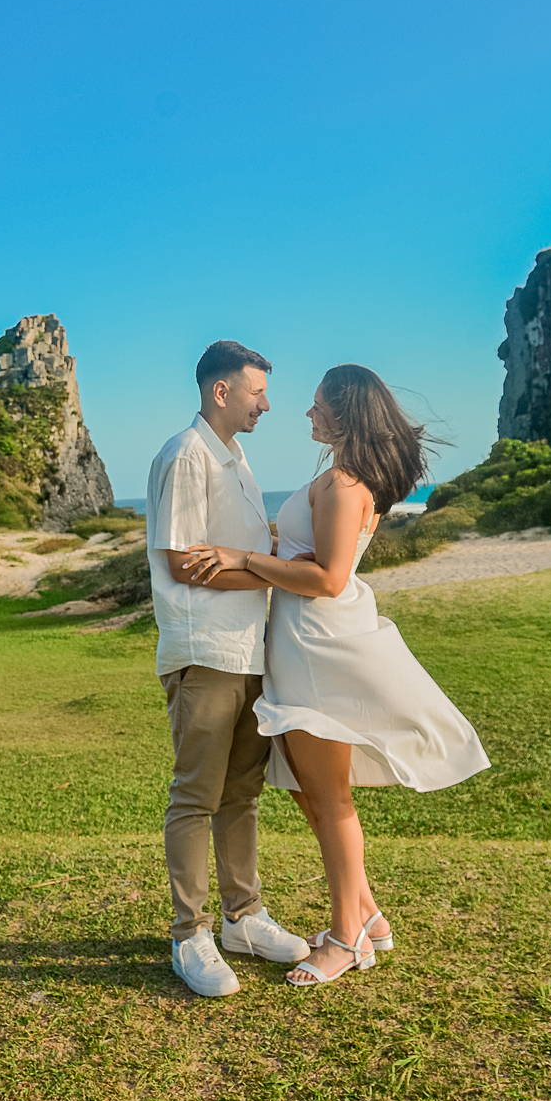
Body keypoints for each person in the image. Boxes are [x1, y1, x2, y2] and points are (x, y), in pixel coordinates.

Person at [182, 363, 491, 987]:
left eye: (318, 405)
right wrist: (271, 553)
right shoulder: (335, 478)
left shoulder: (347, 483)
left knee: (330, 798)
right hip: (300, 646)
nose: (306, 413)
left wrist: (246, 558)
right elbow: (308, 558)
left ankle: (347, 938)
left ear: (345, 415)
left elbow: (328, 580)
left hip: (320, 648)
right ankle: (368, 916)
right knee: (302, 785)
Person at [146, 340, 310, 998]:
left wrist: (260, 558)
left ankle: (244, 918)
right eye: (256, 392)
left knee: (241, 794)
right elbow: (188, 562)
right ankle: (191, 934)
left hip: (248, 652)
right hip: (204, 653)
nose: (266, 404)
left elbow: (235, 555)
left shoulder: (235, 457)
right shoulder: (187, 455)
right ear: (221, 391)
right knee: (196, 796)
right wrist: (271, 568)